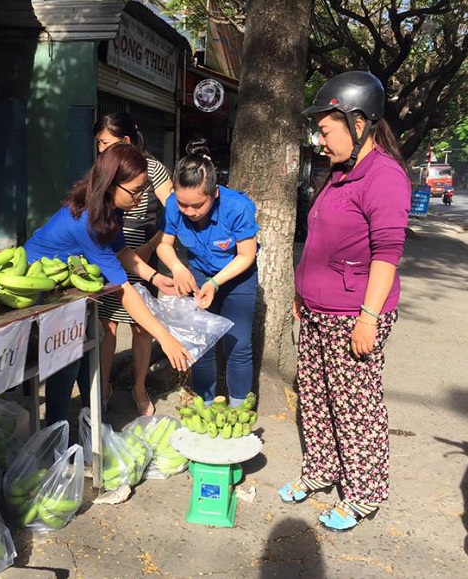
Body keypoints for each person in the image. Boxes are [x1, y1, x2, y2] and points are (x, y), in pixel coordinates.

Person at [278, 71, 411, 531]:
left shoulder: (385, 177)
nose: (320, 139)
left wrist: (369, 317)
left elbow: (387, 254)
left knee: (356, 406)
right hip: (317, 312)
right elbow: (318, 241)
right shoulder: (339, 173)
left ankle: (363, 494)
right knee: (315, 397)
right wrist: (300, 290)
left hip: (354, 315)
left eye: (327, 130)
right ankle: (320, 470)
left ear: (360, 123)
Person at [24, 143, 193, 425]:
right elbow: (124, 290)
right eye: (135, 191)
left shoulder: (110, 209)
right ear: (111, 184)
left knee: (88, 349)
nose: (141, 198)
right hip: (40, 288)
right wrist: (165, 337)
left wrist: (155, 278)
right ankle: (54, 433)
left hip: (71, 289)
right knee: (68, 359)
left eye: (144, 190)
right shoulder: (87, 221)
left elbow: (122, 252)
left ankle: (94, 424)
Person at [156, 138, 259, 408]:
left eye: (197, 206)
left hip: (238, 278)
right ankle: (206, 405)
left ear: (214, 194)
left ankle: (239, 410)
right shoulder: (171, 206)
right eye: (183, 204)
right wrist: (178, 267)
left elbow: (246, 255)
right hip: (199, 274)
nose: (189, 212)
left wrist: (216, 282)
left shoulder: (237, 207)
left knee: (239, 345)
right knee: (202, 343)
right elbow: (164, 245)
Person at [93, 112, 173, 416]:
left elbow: (175, 217)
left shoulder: (154, 170)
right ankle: (103, 388)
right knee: (106, 325)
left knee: (142, 327)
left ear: (125, 141)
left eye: (105, 142)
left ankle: (140, 388)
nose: (101, 149)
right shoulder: (104, 168)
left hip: (141, 260)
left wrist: (152, 246)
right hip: (107, 256)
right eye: (99, 143)